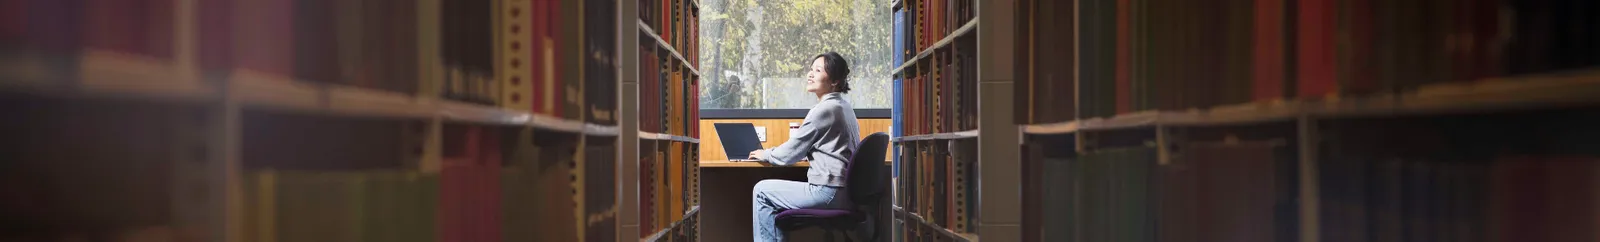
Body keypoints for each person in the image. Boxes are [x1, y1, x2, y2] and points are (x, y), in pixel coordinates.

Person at [747, 52, 861, 241]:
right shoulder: (843, 107)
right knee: (769, 194)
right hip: (845, 193)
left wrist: (765, 153)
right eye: (811, 69)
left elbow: (788, 155)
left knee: (761, 191)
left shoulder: (824, 110)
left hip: (828, 192)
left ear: (834, 81)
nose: (810, 74)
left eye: (818, 70)